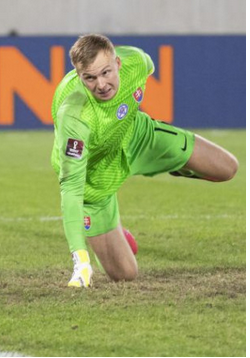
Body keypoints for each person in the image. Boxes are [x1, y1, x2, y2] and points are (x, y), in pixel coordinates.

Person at [51, 34, 237, 288]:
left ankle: (175, 165)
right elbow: (71, 189)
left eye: (106, 72)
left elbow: (147, 64)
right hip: (95, 178)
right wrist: (81, 259)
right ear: (79, 76)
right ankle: (118, 233)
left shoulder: (137, 62)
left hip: (138, 136)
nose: (101, 84)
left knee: (227, 168)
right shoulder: (74, 115)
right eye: (90, 78)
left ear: (118, 63)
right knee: (125, 274)